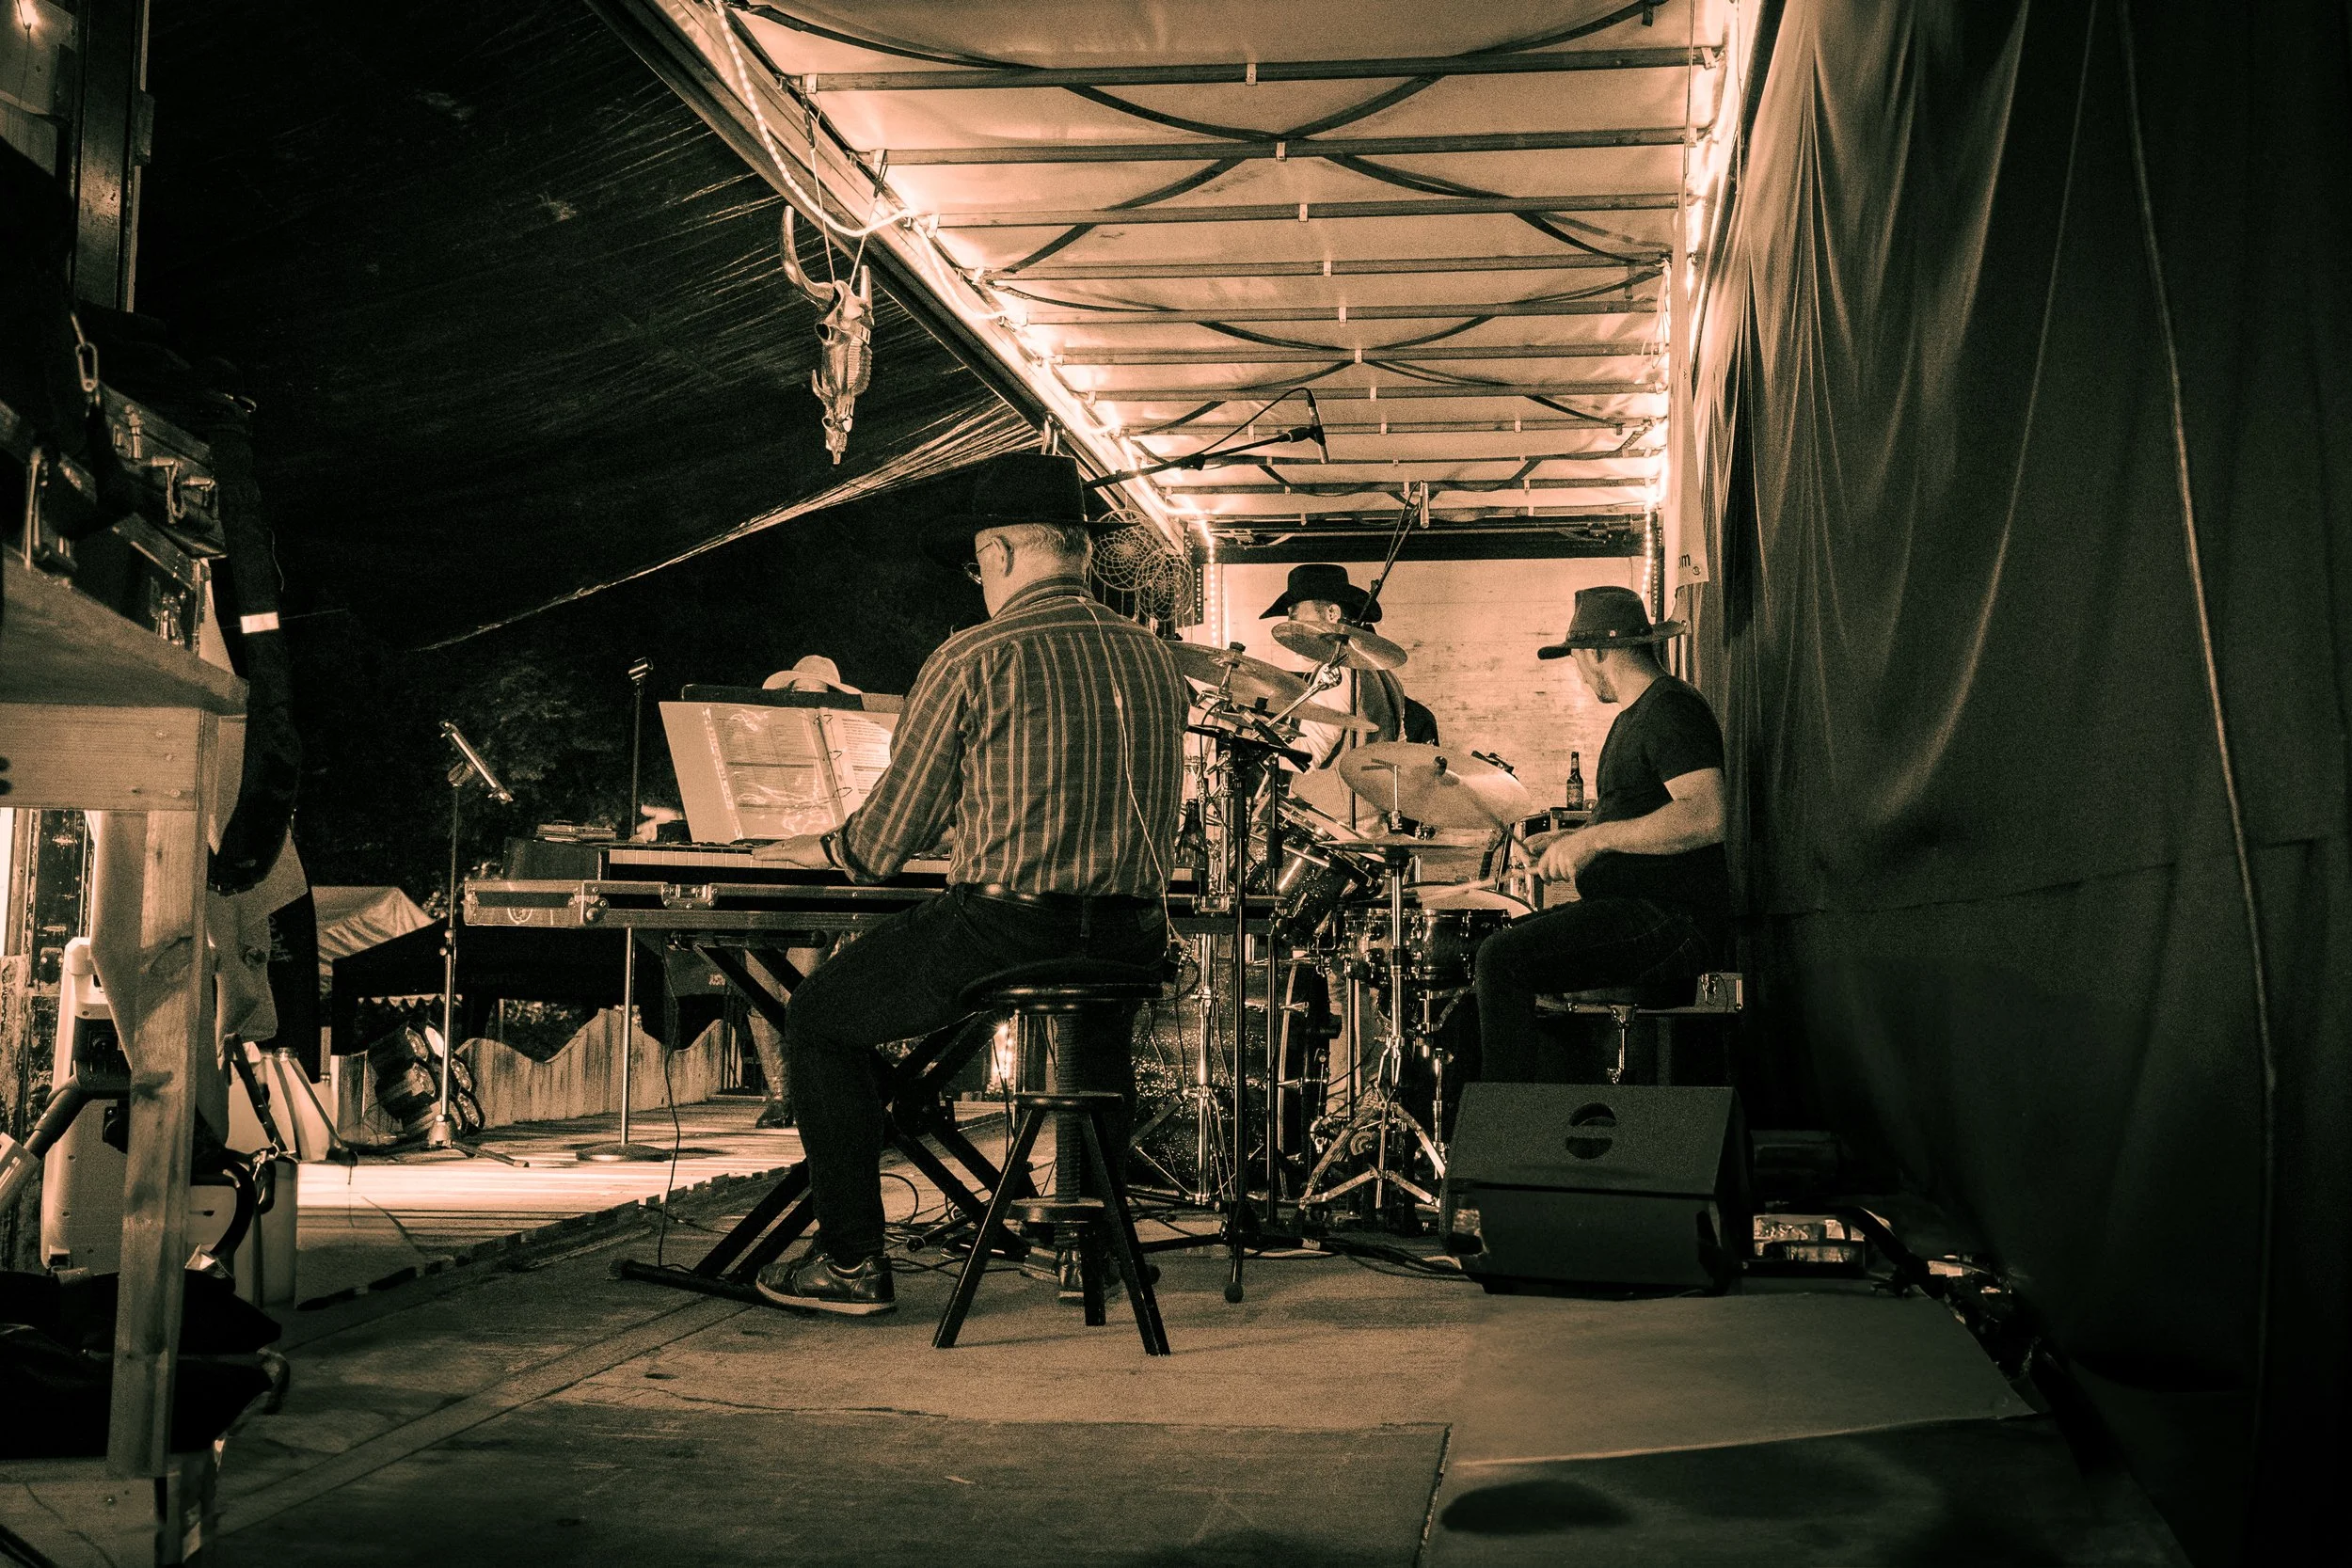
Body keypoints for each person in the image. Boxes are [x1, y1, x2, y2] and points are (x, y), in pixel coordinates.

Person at [746, 452, 1189, 1316]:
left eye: (978, 566)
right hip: (1131, 936)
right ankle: (1091, 1249)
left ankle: (850, 1260)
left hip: (1008, 931)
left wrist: (812, 845)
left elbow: (879, 845)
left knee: (821, 1019)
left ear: (998, 552)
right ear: (1079, 551)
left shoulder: (975, 655)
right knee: (1093, 1043)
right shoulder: (1154, 658)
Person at [1473, 586, 1729, 1083]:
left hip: (1671, 920)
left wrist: (1592, 841)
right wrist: (1568, 840)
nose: (1580, 672)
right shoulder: (1633, 718)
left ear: (1595, 653)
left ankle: (1504, 1119)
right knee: (1497, 941)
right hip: (1636, 910)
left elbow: (1707, 815)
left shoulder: (1671, 709)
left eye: (1577, 659)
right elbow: (1636, 812)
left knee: (1501, 959)